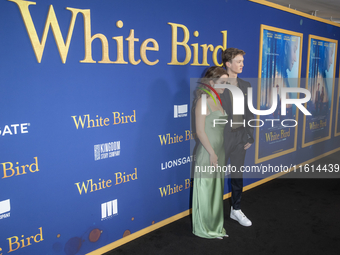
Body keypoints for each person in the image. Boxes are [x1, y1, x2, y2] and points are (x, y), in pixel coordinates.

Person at [192, 66, 229, 239]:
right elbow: (200, 131)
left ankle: (215, 226)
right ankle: (205, 228)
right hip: (208, 153)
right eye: (223, 82)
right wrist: (212, 153)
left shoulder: (218, 99)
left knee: (216, 190)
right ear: (212, 82)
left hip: (218, 152)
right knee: (206, 190)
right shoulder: (203, 101)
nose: (226, 85)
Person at [221, 48, 254, 227]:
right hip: (223, 138)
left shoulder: (246, 85)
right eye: (239, 61)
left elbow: (250, 112)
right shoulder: (218, 84)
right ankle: (213, 212)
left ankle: (236, 209)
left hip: (241, 138)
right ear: (228, 63)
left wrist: (251, 136)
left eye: (242, 61)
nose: (242, 64)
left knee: (237, 175)